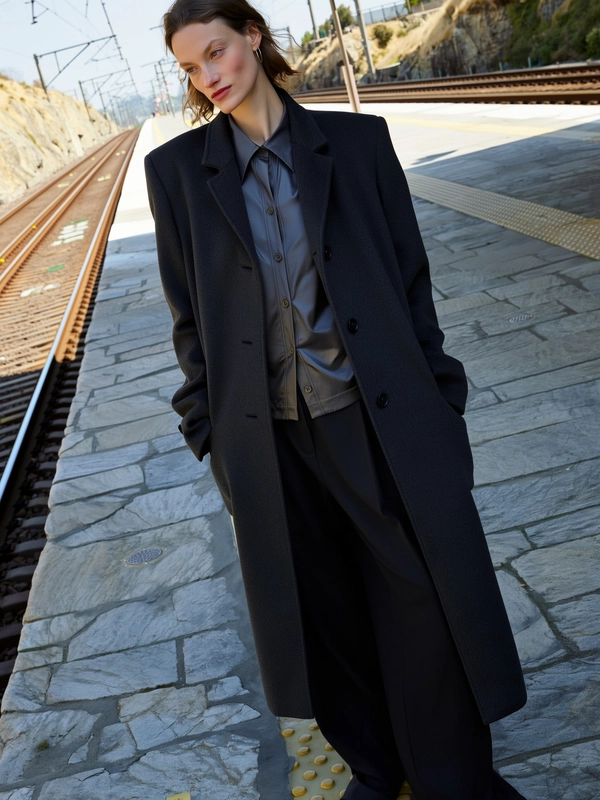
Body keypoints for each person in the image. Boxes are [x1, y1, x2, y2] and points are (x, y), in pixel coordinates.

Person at [144, 2, 528, 798]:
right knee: (325, 615)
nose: (208, 76)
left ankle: (451, 773)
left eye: (215, 52)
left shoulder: (356, 145)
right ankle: (376, 768)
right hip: (268, 439)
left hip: (371, 417)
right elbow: (191, 321)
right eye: (190, 67)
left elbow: (410, 281)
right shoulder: (178, 174)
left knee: (420, 599)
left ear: (253, 36)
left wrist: (440, 396)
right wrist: (209, 433)